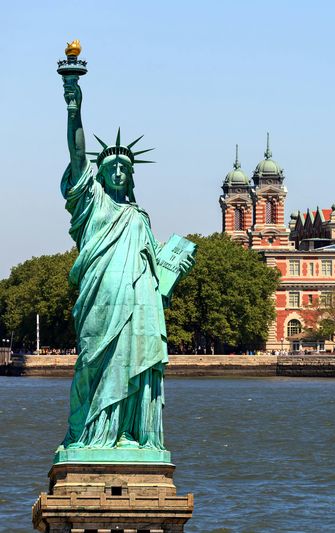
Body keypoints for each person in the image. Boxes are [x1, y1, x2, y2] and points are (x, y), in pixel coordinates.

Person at [59, 75, 193, 451]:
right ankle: (90, 435)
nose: (118, 171)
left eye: (124, 167)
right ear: (98, 173)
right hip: (99, 300)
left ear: (130, 175)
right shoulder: (91, 203)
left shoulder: (139, 216)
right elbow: (75, 153)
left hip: (139, 306)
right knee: (92, 364)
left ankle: (131, 435)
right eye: (111, 166)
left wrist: (170, 270)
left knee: (137, 363)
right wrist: (75, 110)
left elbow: (152, 270)